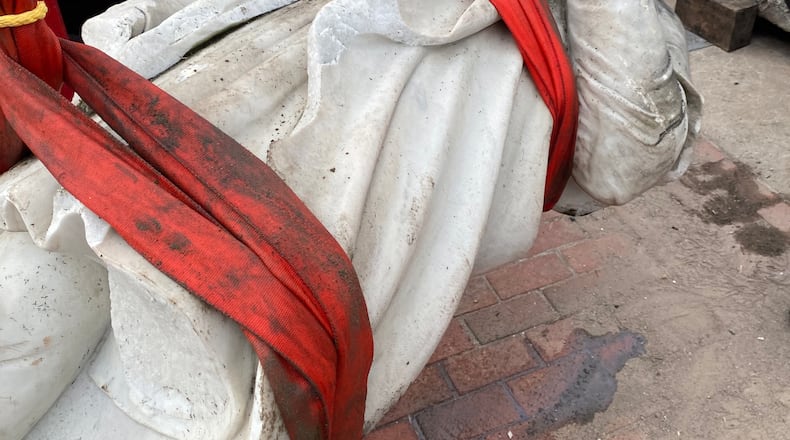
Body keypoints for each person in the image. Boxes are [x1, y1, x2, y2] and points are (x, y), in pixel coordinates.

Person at [0, 0, 701, 438]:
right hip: (185, 105)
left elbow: (626, 158)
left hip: (325, 189)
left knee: (168, 382)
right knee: (33, 282)